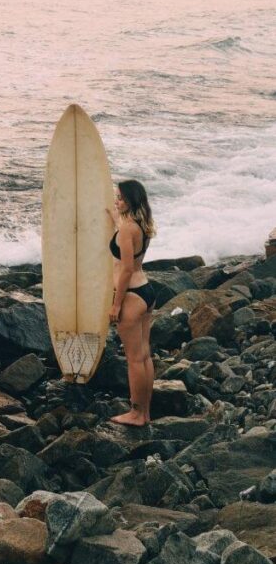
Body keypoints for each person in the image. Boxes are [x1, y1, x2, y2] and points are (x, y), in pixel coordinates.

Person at [106, 179, 157, 426]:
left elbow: (125, 270)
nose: (117, 201)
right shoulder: (141, 224)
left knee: (134, 359)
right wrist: (113, 214)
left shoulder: (128, 229)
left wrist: (116, 304)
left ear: (131, 201)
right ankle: (145, 412)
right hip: (146, 291)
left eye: (121, 198)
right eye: (116, 196)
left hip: (131, 296)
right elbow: (123, 231)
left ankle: (136, 413)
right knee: (144, 356)